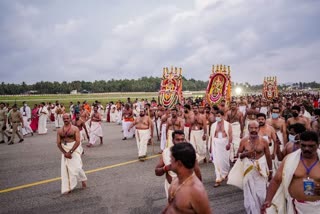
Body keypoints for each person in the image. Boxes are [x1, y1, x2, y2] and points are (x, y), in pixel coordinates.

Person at [261, 131, 320, 213]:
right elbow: (276, 180)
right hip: (295, 208)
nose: (307, 149)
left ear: (318, 145)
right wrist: (268, 200)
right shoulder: (289, 160)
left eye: (311, 146)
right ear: (299, 144)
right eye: (303, 145)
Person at [162, 143, 211, 214]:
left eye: (171, 159)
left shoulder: (196, 191)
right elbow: (169, 206)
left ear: (178, 163)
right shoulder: (175, 181)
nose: (170, 162)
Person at [237, 120, 272, 214]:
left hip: (260, 172)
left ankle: (262, 211)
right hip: (249, 171)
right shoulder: (244, 141)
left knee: (261, 195)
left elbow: (268, 156)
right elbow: (238, 155)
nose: (253, 130)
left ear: (258, 129)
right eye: (251, 128)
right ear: (248, 129)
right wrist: (246, 154)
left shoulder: (264, 141)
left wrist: (271, 171)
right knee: (249, 197)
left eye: (255, 128)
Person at [155, 130, 202, 199]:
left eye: (182, 139)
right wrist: (165, 168)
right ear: (173, 140)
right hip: (171, 188)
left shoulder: (190, 152)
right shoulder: (166, 152)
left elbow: (197, 171)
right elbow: (157, 172)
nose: (180, 142)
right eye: (177, 140)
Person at [57, 114, 87, 194]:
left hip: (74, 148)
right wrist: (65, 153)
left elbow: (78, 141)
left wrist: (70, 152)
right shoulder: (60, 130)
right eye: (64, 118)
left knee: (77, 167)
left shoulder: (75, 129)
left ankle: (83, 179)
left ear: (70, 119)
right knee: (66, 169)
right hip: (65, 150)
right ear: (62, 119)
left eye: (67, 118)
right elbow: (58, 143)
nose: (66, 119)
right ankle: (68, 187)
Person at [209, 110, 232, 187]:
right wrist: (210, 147)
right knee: (216, 161)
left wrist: (229, 143)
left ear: (222, 116)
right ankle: (218, 178)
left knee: (225, 162)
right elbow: (211, 137)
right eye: (216, 116)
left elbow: (230, 135)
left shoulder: (228, 124)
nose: (217, 117)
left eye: (219, 116)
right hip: (216, 143)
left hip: (225, 143)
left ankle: (225, 174)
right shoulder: (213, 125)